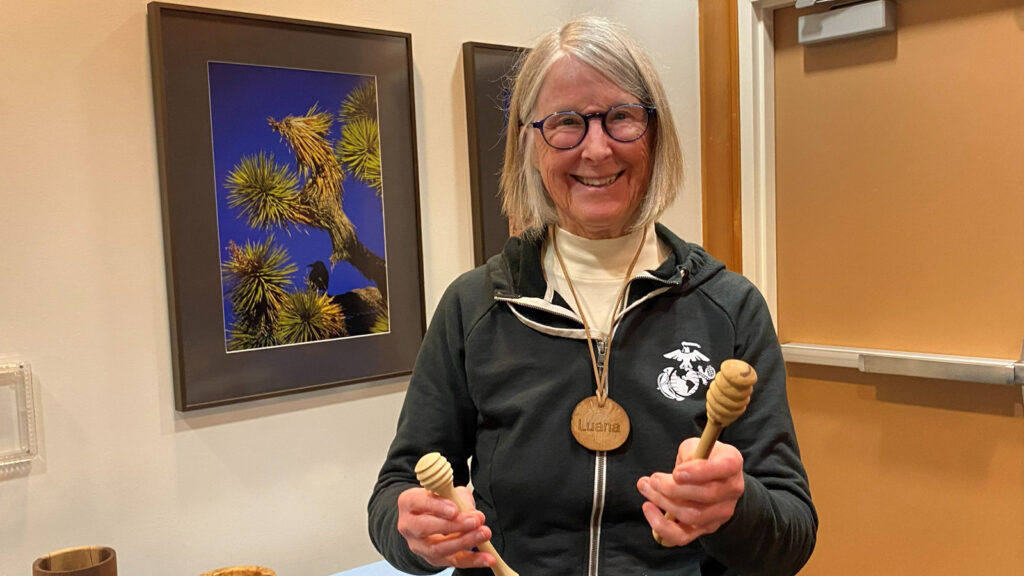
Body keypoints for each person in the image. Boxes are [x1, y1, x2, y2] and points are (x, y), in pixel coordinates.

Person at [368, 16, 817, 576]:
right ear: (529, 144)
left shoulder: (729, 308)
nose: (597, 149)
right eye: (566, 123)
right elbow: (394, 492)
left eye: (621, 117)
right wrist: (415, 533)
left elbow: (792, 535)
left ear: (654, 133)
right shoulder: (475, 307)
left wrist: (736, 507)